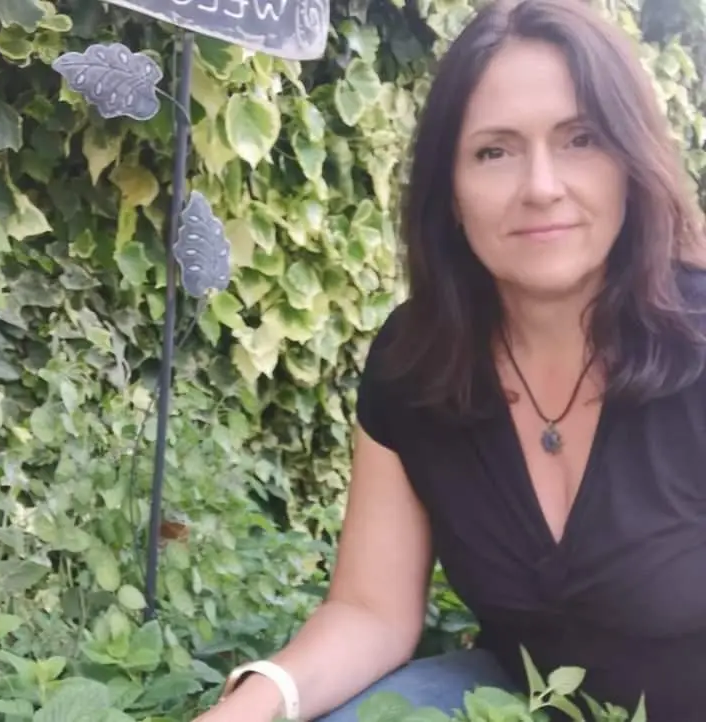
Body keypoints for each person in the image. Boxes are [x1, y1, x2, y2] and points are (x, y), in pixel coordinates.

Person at [193, 0, 706, 720]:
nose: (541, 186)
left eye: (581, 139)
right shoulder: (418, 361)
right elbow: (371, 610)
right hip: (522, 695)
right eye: (494, 151)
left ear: (632, 164)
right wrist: (246, 707)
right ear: (451, 193)